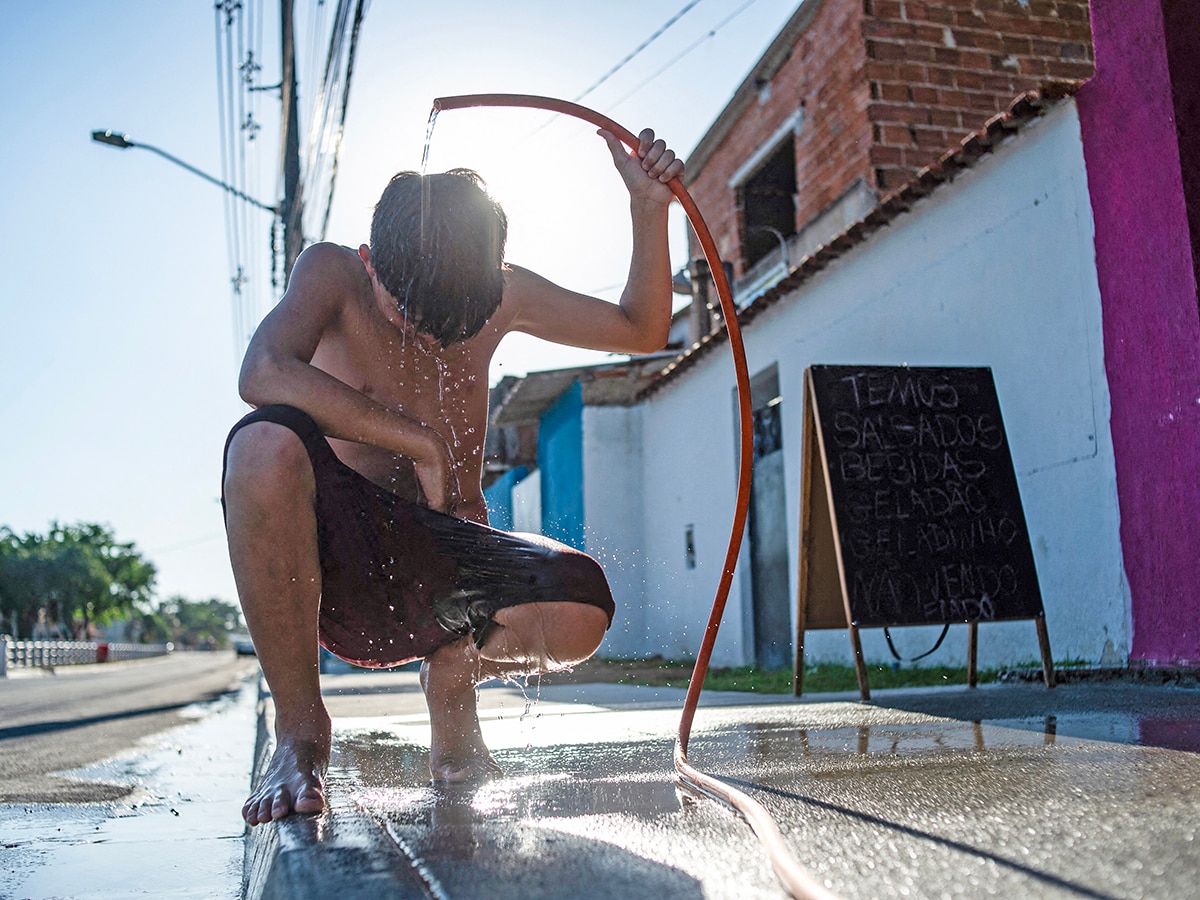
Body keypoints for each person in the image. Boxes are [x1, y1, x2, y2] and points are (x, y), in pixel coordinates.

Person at [222, 127, 684, 826]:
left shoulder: (502, 294)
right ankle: (301, 735)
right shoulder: (332, 275)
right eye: (412, 318)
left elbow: (640, 328)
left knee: (582, 605)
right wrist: (423, 445)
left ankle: (454, 678)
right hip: (335, 571)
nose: (434, 340)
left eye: (454, 325)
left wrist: (649, 208)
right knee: (260, 446)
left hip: (444, 568)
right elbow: (263, 371)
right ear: (371, 264)